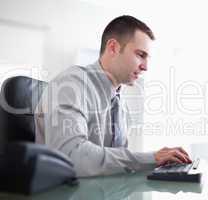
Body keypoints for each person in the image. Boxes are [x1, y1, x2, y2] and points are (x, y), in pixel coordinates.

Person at [35, 15, 191, 177]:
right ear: (113, 48)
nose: (145, 67)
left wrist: (158, 166)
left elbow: (116, 165)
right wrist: (151, 158)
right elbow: (72, 157)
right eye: (140, 55)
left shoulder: (121, 106)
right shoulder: (72, 84)